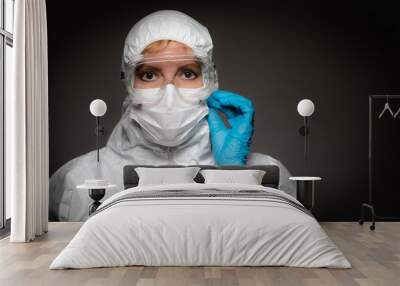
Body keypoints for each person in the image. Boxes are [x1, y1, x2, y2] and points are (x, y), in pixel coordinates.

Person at [49, 10, 295, 221]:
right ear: (128, 82)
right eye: (149, 75)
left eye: (187, 73)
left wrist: (234, 174)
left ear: (211, 80)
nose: (169, 93)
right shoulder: (78, 179)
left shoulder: (270, 174)